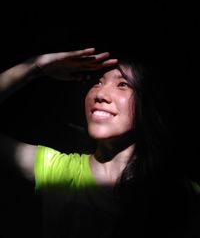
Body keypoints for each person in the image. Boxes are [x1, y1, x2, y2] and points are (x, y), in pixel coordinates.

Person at [0, 46, 199, 238]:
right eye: (97, 82)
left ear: (148, 104)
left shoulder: (183, 195)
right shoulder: (58, 172)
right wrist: (35, 68)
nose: (100, 94)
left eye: (123, 84)